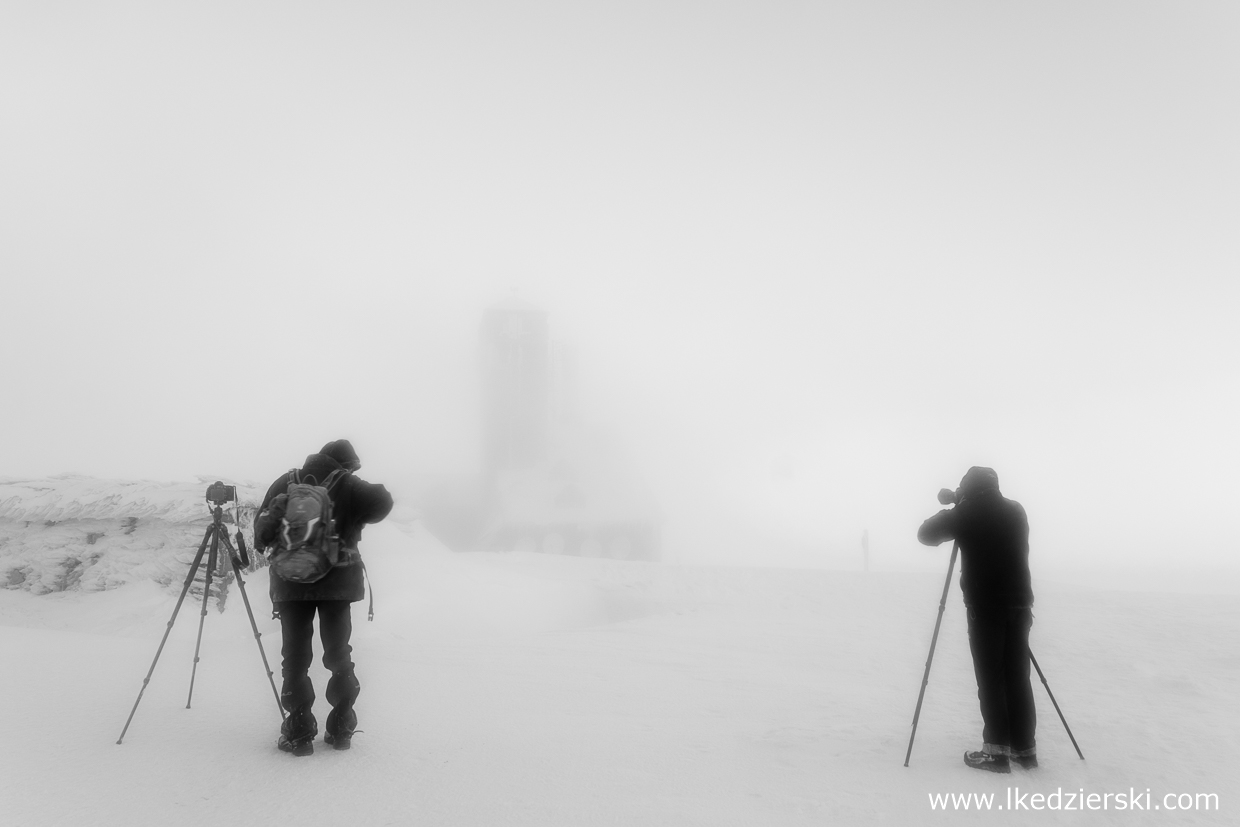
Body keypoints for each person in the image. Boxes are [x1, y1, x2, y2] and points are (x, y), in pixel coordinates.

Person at [254, 439, 393, 756]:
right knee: (338, 654)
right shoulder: (349, 484)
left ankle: (299, 733)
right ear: (346, 464)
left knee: (295, 659)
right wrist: (351, 518)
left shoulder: (286, 482)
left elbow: (261, 534)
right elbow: (382, 501)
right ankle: (341, 728)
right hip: (338, 585)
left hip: (290, 585)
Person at [917, 466, 1036, 773]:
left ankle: (996, 753)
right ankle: (1025, 750)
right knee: (1017, 678)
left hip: (986, 607)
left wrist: (957, 504)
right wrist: (962, 500)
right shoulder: (1016, 510)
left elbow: (925, 534)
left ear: (968, 488)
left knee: (991, 679)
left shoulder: (966, 513)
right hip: (1021, 606)